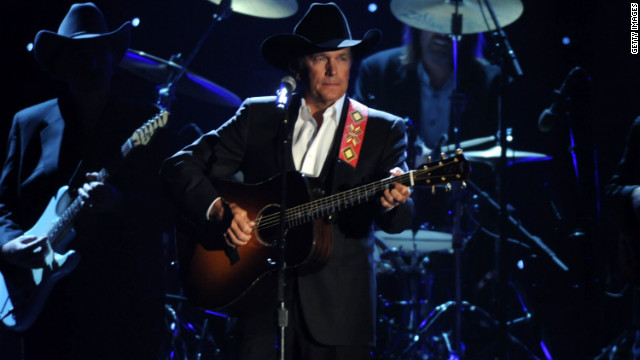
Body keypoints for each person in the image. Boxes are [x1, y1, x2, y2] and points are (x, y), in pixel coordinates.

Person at [160, 3, 414, 359]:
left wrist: (396, 200)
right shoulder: (260, 116)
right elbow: (179, 165)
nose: (331, 69)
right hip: (255, 302)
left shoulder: (380, 129)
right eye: (320, 58)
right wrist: (219, 210)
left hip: (338, 315)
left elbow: (398, 219)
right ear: (297, 64)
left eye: (341, 58)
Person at [0, 3, 177, 359]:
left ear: (113, 59)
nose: (91, 64)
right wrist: (8, 246)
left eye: (99, 53)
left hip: (122, 306)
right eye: (79, 55)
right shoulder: (28, 122)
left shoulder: (146, 123)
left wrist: (120, 202)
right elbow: (4, 204)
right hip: (48, 310)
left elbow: (173, 208)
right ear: (61, 64)